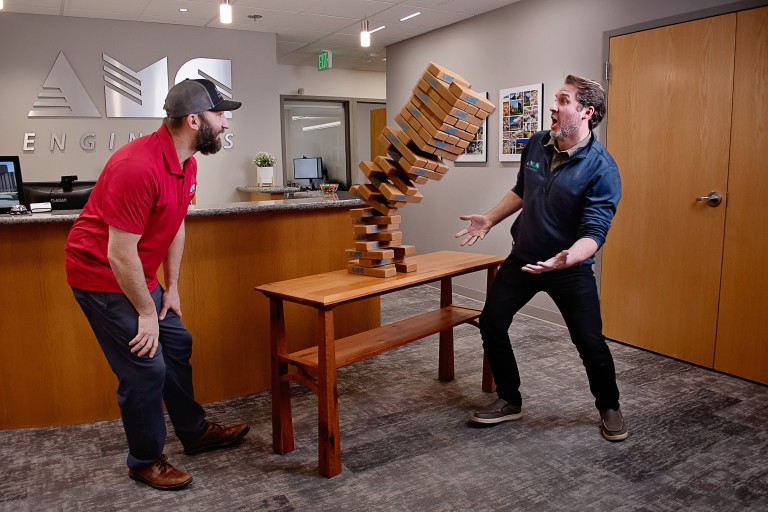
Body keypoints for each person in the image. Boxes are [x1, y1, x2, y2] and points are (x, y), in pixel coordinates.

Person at [65, 78, 251, 490]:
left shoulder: (187, 161)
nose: (225, 122)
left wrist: (172, 287)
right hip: (101, 275)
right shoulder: (136, 166)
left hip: (137, 272)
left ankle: (194, 432)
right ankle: (145, 460)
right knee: (146, 367)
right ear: (193, 120)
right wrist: (146, 312)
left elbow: (175, 224)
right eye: (220, 115)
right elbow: (117, 254)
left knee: (177, 343)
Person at [455, 75, 627, 442]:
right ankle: (509, 398)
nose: (553, 106)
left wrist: (569, 257)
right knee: (492, 322)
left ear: (586, 112)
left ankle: (609, 405)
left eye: (563, 100)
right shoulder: (535, 144)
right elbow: (522, 190)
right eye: (556, 99)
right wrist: (489, 218)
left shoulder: (602, 168)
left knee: (588, 340)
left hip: (569, 268)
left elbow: (595, 232)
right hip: (523, 259)